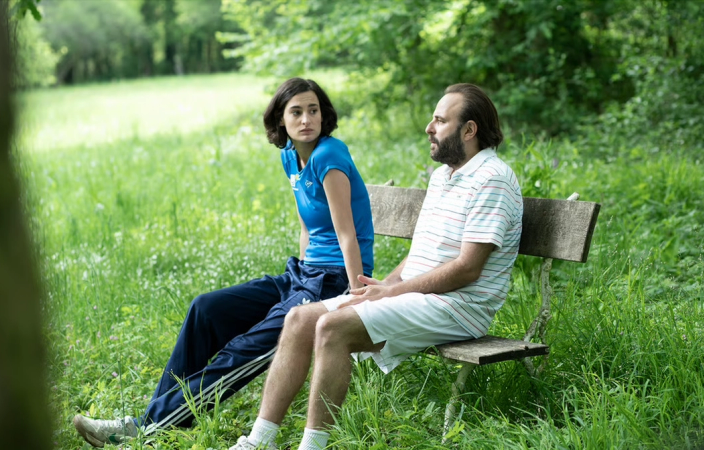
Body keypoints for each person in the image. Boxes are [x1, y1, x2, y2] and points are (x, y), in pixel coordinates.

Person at [72, 77, 375, 448]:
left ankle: (144, 428)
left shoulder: (329, 156)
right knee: (206, 309)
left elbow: (347, 234)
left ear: (323, 114)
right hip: (303, 275)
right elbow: (306, 225)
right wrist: (297, 275)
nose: (306, 119)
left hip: (334, 280)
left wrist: (356, 294)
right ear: (280, 120)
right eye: (296, 112)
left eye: (313, 110)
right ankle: (156, 420)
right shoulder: (290, 156)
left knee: (244, 350)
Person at [228, 83, 523, 450]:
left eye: (440, 120)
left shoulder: (492, 180)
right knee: (299, 319)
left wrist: (392, 292)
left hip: (460, 306)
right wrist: (382, 287)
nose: (429, 128)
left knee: (332, 326)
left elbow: (467, 269)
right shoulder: (444, 176)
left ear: (469, 130)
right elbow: (421, 254)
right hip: (422, 296)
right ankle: (259, 441)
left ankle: (312, 447)